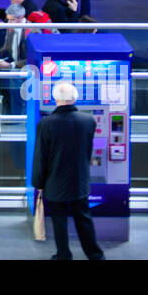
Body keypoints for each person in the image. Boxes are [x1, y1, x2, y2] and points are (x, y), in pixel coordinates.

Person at [31, 80, 104, 260]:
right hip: (80, 180)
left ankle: (63, 254)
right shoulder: (88, 120)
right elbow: (87, 151)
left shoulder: (46, 124)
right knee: (84, 218)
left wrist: (38, 183)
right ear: (75, 97)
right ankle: (95, 255)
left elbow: (41, 157)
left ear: (55, 98)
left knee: (59, 220)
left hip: (55, 181)